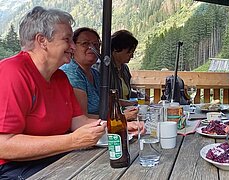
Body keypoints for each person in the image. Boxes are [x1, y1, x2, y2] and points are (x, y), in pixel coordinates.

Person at [0, 6, 143, 179]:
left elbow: (79, 122)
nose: (73, 47)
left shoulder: (59, 77)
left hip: (56, 159)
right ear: (42, 40)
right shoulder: (13, 72)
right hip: (15, 168)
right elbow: (4, 145)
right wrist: (72, 141)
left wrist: (118, 128)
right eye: (68, 40)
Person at [60, 27, 101, 119]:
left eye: (96, 44)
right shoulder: (72, 72)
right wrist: (115, 119)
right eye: (85, 43)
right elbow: (82, 117)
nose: (92, 48)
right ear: (73, 47)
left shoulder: (96, 74)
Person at [110, 30, 138, 101]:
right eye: (129, 52)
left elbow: (124, 92)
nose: (132, 56)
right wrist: (130, 103)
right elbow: (107, 98)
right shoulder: (104, 69)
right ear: (116, 49)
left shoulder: (124, 68)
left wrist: (139, 94)